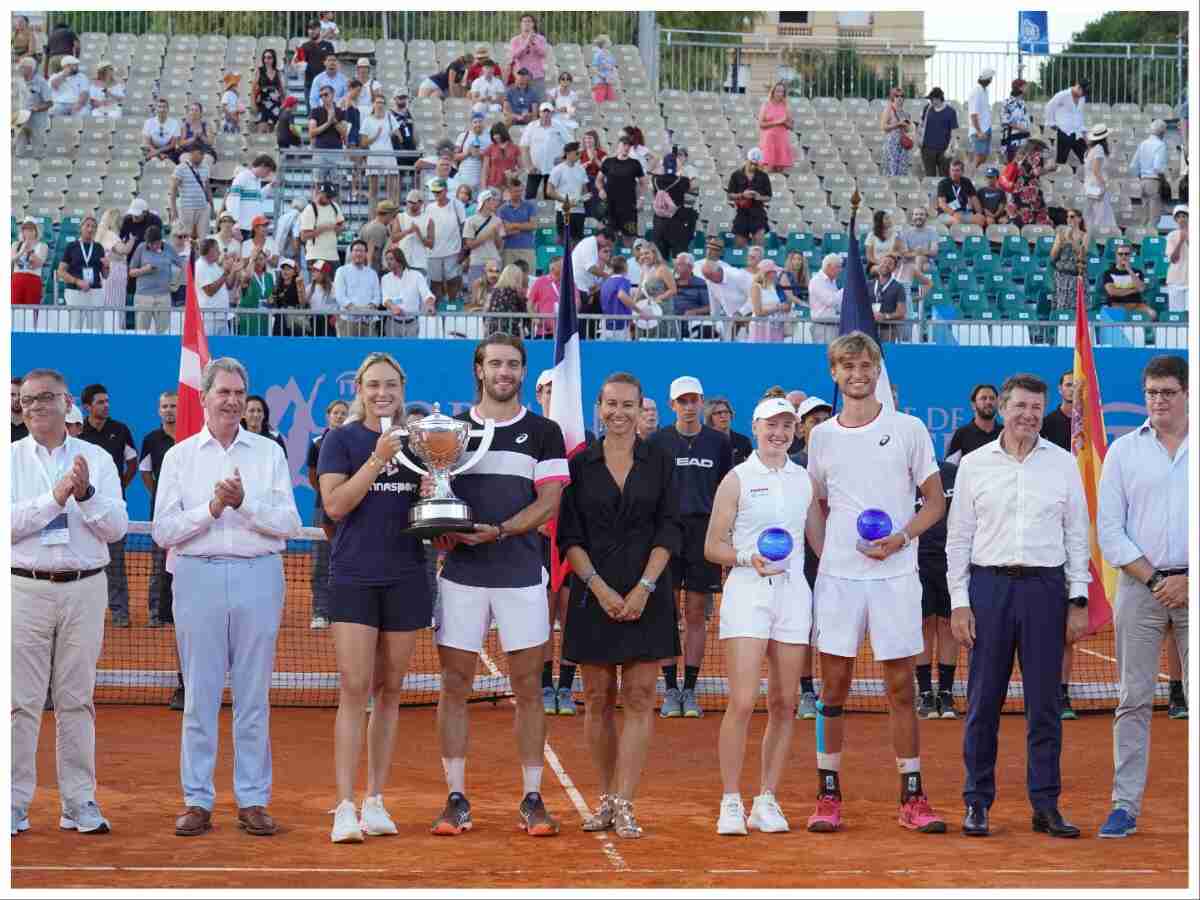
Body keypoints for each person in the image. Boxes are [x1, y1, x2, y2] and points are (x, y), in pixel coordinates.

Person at [804, 331, 947, 835]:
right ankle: (828, 793)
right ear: (835, 373)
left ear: (878, 370)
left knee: (901, 686)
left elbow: (934, 501)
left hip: (896, 575)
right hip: (840, 580)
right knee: (834, 686)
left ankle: (912, 795)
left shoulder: (907, 429)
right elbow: (814, 507)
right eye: (848, 367)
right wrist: (830, 560)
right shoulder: (819, 437)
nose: (858, 374)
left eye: (867, 366)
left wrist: (901, 539)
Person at [153, 357, 301, 839]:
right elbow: (163, 531)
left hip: (260, 575)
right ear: (205, 397)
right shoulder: (179, 457)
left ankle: (253, 800)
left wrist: (244, 505)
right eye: (224, 392)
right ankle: (197, 800)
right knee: (199, 694)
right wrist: (212, 508)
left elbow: (289, 524)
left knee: (253, 696)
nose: (233, 400)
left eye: (240, 393)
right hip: (196, 576)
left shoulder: (268, 453)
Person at [428, 334, 568, 838]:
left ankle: (532, 798)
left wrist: (503, 530)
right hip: (462, 577)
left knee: (529, 688)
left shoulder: (545, 432)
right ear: (479, 370)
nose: (504, 372)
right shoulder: (449, 431)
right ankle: (456, 799)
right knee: (454, 687)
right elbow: (435, 496)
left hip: (521, 576)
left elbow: (549, 502)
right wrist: (442, 528)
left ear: (523, 372)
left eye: (512, 364)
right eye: (495, 363)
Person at [947, 373, 1090, 839]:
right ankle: (977, 802)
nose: (1028, 415)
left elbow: (1077, 535)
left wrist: (1077, 598)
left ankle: (1045, 805)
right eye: (1020, 406)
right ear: (1003, 408)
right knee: (983, 702)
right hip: (989, 590)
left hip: (1046, 591)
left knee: (1045, 706)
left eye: (1036, 407)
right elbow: (959, 539)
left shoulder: (1063, 463)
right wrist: (960, 603)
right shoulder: (973, 464)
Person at [557, 372, 680, 838]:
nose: (619, 413)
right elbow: (569, 536)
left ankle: (626, 802)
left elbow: (670, 529)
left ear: (641, 408)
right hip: (594, 596)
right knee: (598, 700)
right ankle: (606, 799)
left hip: (649, 592)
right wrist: (602, 589)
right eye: (611, 404)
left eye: (629, 405)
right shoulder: (579, 464)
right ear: (599, 407)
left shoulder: (660, 461)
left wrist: (644, 587)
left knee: (640, 698)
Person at [317, 353, 434, 843]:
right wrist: (378, 458)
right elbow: (337, 504)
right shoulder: (340, 441)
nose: (382, 392)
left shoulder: (422, 442)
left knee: (390, 691)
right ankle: (345, 805)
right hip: (354, 576)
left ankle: (375, 800)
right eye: (373, 385)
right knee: (354, 686)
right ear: (360, 389)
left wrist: (429, 491)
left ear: (402, 387)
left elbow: (423, 512)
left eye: (390, 384)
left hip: (406, 574)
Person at [11, 368, 128, 837]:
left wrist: (86, 494)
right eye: (28, 401)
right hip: (23, 587)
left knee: (77, 701)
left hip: (84, 587)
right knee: (19, 703)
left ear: (66, 403)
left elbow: (117, 527)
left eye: (45, 398)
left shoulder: (96, 459)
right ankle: (14, 804)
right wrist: (55, 497)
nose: (35, 406)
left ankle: (78, 802)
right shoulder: (10, 458)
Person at [705, 395, 824, 834]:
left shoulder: (804, 481)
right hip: (747, 592)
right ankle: (731, 801)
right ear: (755, 428)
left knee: (785, 703)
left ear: (795, 433)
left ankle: (766, 800)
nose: (779, 434)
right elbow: (711, 544)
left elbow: (820, 542)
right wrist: (746, 557)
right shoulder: (736, 479)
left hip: (794, 595)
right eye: (771, 426)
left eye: (787, 427)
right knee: (741, 701)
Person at [1096, 355, 1188, 838]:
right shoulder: (1123, 452)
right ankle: (1124, 806)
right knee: (1132, 700)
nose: (1157, 401)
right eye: (1151, 392)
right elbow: (1110, 532)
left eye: (1168, 392)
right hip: (1140, 589)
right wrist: (1157, 581)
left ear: (1187, 393)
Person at [648, 375, 733, 719]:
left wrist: (725, 535)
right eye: (681, 401)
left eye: (693, 400)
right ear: (672, 405)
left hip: (705, 533)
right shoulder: (656, 442)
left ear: (701, 403)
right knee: (665, 612)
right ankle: (670, 690)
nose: (688, 406)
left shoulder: (718, 443)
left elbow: (728, 492)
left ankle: (690, 690)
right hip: (667, 534)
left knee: (697, 614)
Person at [78, 384, 137, 628]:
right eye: (100, 402)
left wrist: (119, 486)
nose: (106, 405)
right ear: (87, 407)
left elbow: (132, 462)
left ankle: (120, 612)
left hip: (110, 510)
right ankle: (85, 614)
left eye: (107, 401)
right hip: (82, 508)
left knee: (116, 564)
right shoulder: (78, 432)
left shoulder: (120, 430)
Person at [139, 390, 184, 706]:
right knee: (158, 567)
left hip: (188, 519)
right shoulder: (152, 439)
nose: (169, 410)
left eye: (173, 406)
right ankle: (158, 612)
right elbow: (143, 471)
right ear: (158, 410)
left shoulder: (191, 435)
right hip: (163, 516)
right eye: (165, 406)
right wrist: (160, 495)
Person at [914, 454, 960, 719]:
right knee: (923, 623)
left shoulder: (952, 473)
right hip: (916, 562)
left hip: (949, 561)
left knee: (947, 623)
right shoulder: (905, 476)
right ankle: (924, 693)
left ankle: (945, 692)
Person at [307, 398, 349, 627]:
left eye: (344, 413)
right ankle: (320, 612)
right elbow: (313, 476)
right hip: (321, 508)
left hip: (348, 511)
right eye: (336, 413)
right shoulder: (316, 443)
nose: (340, 417)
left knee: (346, 561)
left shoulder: (354, 442)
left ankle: (343, 610)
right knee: (321, 562)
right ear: (328, 416)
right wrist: (329, 495)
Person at [128, 224, 185, 334]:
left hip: (163, 297)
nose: (153, 246)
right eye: (150, 244)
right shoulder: (141, 248)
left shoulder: (168, 248)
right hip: (143, 296)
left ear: (160, 240)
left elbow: (182, 265)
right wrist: (144, 270)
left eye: (156, 243)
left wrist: (176, 283)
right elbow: (131, 272)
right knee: (141, 333)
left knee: (163, 332)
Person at [597, 136, 647, 246]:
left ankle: (628, 261)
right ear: (618, 146)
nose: (626, 147)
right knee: (609, 237)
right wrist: (601, 190)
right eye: (624, 144)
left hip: (629, 207)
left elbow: (644, 183)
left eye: (628, 145)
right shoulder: (608, 162)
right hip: (610, 206)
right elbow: (598, 180)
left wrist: (641, 198)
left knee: (629, 237)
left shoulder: (635, 163)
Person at [381, 247, 436, 337]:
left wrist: (429, 305)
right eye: (387, 259)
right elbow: (385, 298)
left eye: (391, 259)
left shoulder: (416, 275)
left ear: (400, 259)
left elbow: (426, 294)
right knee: (391, 351)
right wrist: (393, 307)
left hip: (412, 323)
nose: (388, 262)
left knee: (410, 350)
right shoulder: (385, 278)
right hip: (392, 323)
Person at [334, 239, 383, 337]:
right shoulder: (342, 271)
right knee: (348, 351)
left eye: (362, 251)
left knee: (369, 351)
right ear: (351, 253)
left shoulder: (372, 273)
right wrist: (355, 310)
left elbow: (377, 296)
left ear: (366, 254)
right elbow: (340, 296)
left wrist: (369, 308)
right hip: (348, 320)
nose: (359, 253)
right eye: (356, 250)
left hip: (368, 320)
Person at [520, 103, 567, 200]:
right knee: (529, 196)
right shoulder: (531, 126)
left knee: (550, 198)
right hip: (535, 169)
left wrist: (563, 158)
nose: (546, 114)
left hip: (552, 169)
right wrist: (529, 166)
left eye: (548, 112)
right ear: (539, 113)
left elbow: (570, 144)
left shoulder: (559, 126)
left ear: (552, 113)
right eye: (543, 112)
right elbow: (524, 147)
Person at [361, 95, 400, 213]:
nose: (380, 105)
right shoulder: (367, 120)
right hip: (374, 156)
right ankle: (373, 215)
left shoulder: (389, 117)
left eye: (382, 102)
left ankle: (392, 216)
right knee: (373, 190)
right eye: (377, 102)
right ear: (373, 104)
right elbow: (363, 142)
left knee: (391, 190)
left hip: (389, 155)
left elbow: (399, 135)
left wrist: (396, 135)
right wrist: (375, 136)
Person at [728, 148, 772, 247]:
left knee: (759, 244)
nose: (753, 166)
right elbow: (730, 195)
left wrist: (759, 197)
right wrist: (742, 195)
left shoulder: (763, 176)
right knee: (739, 245)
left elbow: (769, 196)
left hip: (758, 212)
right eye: (751, 163)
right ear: (746, 160)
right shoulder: (736, 175)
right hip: (742, 212)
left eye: (755, 164)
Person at [1005, 139, 1055, 227]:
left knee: (1019, 218)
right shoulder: (1035, 155)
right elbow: (1037, 172)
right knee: (1035, 216)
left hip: (1017, 190)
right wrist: (1050, 169)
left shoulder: (1019, 156)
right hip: (1030, 191)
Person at [169, 143, 213, 241]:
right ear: (191, 154)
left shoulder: (205, 167)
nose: (201, 157)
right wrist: (173, 210)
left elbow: (207, 188)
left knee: (203, 238)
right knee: (185, 237)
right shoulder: (180, 168)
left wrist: (211, 205)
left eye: (202, 154)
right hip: (186, 207)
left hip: (203, 207)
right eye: (199, 154)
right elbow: (173, 190)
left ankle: (202, 255)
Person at [1130, 119, 1170, 228]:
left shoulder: (1143, 144)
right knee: (1154, 218)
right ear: (1163, 132)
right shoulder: (1161, 145)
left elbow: (1133, 165)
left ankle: (1142, 242)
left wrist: (1142, 176)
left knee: (1145, 217)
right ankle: (1151, 243)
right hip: (1154, 181)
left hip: (1143, 181)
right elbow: (1158, 167)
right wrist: (1164, 180)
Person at [227, 154, 276, 241]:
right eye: (268, 171)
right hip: (242, 227)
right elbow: (232, 200)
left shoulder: (257, 180)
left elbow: (258, 199)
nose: (268, 175)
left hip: (252, 227)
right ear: (262, 166)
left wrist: (270, 186)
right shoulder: (243, 177)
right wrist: (235, 223)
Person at [548, 142, 589, 245]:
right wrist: (567, 201)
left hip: (579, 211)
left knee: (578, 243)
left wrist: (585, 197)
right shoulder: (557, 169)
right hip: (564, 211)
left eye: (580, 153)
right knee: (565, 242)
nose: (579, 155)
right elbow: (549, 191)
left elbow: (584, 190)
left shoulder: (581, 169)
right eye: (577, 153)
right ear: (568, 153)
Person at [946, 384, 1000, 462]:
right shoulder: (961, 434)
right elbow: (950, 468)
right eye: (983, 398)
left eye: (992, 398)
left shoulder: (1005, 433)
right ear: (973, 405)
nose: (988, 402)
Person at [300, 181, 346, 272]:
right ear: (320, 193)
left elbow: (342, 226)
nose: (330, 199)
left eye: (332, 197)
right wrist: (322, 229)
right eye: (328, 197)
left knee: (334, 285)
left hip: (333, 255)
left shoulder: (334, 206)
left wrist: (336, 228)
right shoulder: (310, 209)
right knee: (318, 285)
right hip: (316, 255)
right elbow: (303, 237)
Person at [1044, 79, 1089, 171]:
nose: (1082, 95)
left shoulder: (1082, 98)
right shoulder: (1063, 95)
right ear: (1078, 87)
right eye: (1083, 93)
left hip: (1077, 134)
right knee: (1061, 161)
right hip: (1064, 132)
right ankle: (1056, 181)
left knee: (1086, 158)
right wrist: (1051, 122)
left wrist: (1084, 134)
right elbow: (1049, 106)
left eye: (1084, 94)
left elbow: (1080, 116)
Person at [11, 217, 48, 330]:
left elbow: (38, 264)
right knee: (14, 308)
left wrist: (30, 251)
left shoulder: (42, 246)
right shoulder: (16, 244)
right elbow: (12, 259)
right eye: (25, 229)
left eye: (31, 229)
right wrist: (22, 250)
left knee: (31, 311)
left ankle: (31, 332)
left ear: (36, 231)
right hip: (17, 279)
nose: (28, 232)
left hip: (33, 280)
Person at [309, 84, 350, 183]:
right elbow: (312, 132)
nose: (323, 97)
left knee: (337, 183)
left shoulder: (340, 112)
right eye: (321, 95)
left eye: (326, 94)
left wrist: (334, 121)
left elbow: (344, 132)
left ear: (333, 94)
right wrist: (328, 123)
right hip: (320, 151)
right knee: (317, 183)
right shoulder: (315, 111)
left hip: (336, 151)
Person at [1102, 243, 1155, 320]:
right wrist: (1133, 290)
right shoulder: (1108, 273)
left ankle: (1147, 332)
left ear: (1130, 256)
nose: (1123, 256)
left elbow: (1141, 288)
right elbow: (1112, 292)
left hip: (1136, 305)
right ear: (1116, 256)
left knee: (1152, 313)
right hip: (1117, 305)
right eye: (1120, 254)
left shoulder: (1137, 272)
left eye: (1126, 254)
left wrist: (1129, 270)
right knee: (1121, 314)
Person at [14, 57, 52, 159]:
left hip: (37, 119)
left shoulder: (41, 82)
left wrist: (37, 108)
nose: (19, 69)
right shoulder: (19, 81)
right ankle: (19, 162)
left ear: (30, 68)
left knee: (38, 145)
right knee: (19, 142)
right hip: (22, 116)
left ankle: (38, 166)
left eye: (22, 67)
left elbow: (49, 103)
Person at [1049, 210, 1087, 312]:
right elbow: (1052, 256)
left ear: (1079, 219)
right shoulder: (1060, 234)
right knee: (1062, 308)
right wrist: (1059, 245)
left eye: (1072, 217)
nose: (1069, 219)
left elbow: (1082, 256)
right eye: (1068, 217)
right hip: (1062, 276)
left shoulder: (1084, 236)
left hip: (1076, 276)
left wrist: (1070, 240)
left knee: (1077, 309)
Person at [1083, 124, 1116, 234]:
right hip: (1097, 186)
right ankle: (1102, 238)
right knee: (1102, 217)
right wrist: (1104, 184)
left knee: (1092, 216)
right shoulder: (1099, 149)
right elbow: (1096, 171)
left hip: (1089, 186)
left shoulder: (1090, 150)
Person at [919, 87, 957, 178]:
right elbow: (921, 125)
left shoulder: (950, 111)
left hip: (944, 150)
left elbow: (954, 132)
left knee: (944, 178)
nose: (931, 102)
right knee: (929, 177)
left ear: (939, 99)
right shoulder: (927, 109)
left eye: (932, 99)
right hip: (927, 150)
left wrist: (949, 148)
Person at [748, 260, 790, 343]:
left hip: (776, 327)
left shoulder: (774, 287)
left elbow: (785, 305)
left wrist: (784, 306)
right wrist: (778, 307)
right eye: (774, 272)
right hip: (761, 328)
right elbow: (758, 312)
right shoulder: (756, 287)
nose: (777, 274)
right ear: (767, 273)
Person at [509, 15, 549, 101]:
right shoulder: (515, 40)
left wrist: (534, 43)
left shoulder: (540, 39)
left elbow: (543, 54)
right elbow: (515, 55)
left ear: (533, 24)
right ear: (520, 24)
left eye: (529, 21)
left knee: (540, 101)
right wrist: (526, 42)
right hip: (522, 77)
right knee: (522, 101)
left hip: (537, 75)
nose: (526, 23)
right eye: (524, 21)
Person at [394, 189, 434, 276]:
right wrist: (408, 231)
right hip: (403, 261)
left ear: (421, 203)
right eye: (409, 202)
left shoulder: (428, 220)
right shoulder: (400, 217)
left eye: (414, 202)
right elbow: (394, 238)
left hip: (420, 263)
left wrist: (419, 233)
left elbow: (431, 244)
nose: (411, 204)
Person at [296, 19, 335, 105]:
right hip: (309, 84)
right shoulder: (304, 46)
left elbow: (333, 64)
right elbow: (296, 65)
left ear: (319, 29)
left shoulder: (328, 46)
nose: (311, 31)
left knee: (326, 113)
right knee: (311, 115)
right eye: (310, 29)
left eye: (314, 28)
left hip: (325, 85)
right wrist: (297, 59)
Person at [758, 81, 794, 173]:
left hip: (781, 141)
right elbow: (761, 124)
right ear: (773, 92)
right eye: (777, 91)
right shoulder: (766, 105)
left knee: (779, 172)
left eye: (782, 92)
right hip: (769, 141)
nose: (780, 94)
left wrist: (784, 123)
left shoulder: (786, 106)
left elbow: (791, 126)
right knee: (767, 170)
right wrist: (777, 122)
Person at [484, 263, 528, 338]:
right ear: (517, 277)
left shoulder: (494, 291)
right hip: (510, 330)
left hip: (493, 329)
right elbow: (524, 313)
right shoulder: (515, 293)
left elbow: (487, 310)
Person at [807, 253, 844, 343]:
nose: (840, 270)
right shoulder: (817, 281)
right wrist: (846, 289)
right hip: (822, 326)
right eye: (838, 267)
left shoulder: (832, 281)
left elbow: (836, 303)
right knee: (823, 353)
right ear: (828, 266)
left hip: (832, 324)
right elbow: (830, 301)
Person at [871, 254, 908, 342]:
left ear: (894, 269)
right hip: (869, 326)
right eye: (884, 262)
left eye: (890, 263)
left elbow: (901, 312)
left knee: (885, 354)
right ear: (878, 264)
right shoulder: (868, 284)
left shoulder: (898, 287)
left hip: (888, 329)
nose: (886, 265)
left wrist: (885, 316)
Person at [937, 159, 985, 226]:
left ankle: (972, 236)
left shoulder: (966, 181)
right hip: (946, 214)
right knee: (957, 221)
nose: (954, 173)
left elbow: (974, 199)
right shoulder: (943, 183)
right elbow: (942, 204)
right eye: (952, 170)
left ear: (962, 172)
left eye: (957, 170)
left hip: (963, 213)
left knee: (981, 219)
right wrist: (953, 213)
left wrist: (979, 213)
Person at [864, 210, 908, 277]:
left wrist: (889, 261)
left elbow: (899, 253)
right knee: (881, 269)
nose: (890, 220)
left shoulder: (896, 235)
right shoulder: (871, 235)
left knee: (894, 269)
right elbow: (869, 256)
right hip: (875, 263)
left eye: (889, 218)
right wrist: (881, 263)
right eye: (886, 218)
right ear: (880, 221)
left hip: (891, 264)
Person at [527, 257, 562, 339]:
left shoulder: (569, 282)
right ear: (552, 268)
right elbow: (529, 304)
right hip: (544, 332)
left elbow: (577, 302)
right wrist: (535, 318)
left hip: (564, 331)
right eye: (562, 265)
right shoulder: (540, 281)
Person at [881, 86, 912, 177]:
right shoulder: (888, 110)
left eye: (902, 96)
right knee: (892, 170)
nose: (900, 98)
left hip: (902, 144)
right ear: (892, 97)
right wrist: (898, 124)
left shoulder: (905, 113)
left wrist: (906, 125)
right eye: (897, 96)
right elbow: (883, 127)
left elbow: (908, 129)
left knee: (902, 170)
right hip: (892, 143)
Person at [481, 121, 522, 191]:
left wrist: (514, 174)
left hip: (510, 185)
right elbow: (485, 169)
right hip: (493, 185)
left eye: (497, 134)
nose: (495, 136)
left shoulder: (515, 148)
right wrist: (483, 187)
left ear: (503, 133)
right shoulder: (490, 148)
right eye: (493, 134)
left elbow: (522, 168)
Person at [1040, 371, 1074, 452]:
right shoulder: (1046, 423)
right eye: (1068, 385)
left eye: (1076, 385)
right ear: (1060, 389)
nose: (1072, 389)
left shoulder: (1091, 423)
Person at [967, 69, 994, 171]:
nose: (991, 80)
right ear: (987, 79)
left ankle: (975, 177)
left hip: (986, 128)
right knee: (978, 158)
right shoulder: (976, 91)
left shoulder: (985, 91)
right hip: (979, 130)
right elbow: (973, 114)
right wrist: (979, 131)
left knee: (983, 158)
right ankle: (971, 179)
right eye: (990, 78)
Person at [252, 49, 283, 135]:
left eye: (269, 58)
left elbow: (281, 89)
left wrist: (284, 104)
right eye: (265, 58)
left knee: (271, 131)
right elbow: (253, 89)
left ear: (273, 59)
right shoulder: (260, 71)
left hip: (275, 104)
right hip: (263, 103)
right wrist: (253, 104)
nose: (266, 60)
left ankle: (268, 148)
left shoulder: (277, 72)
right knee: (261, 130)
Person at [143, 98, 182, 162]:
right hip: (152, 149)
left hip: (168, 150)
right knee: (152, 159)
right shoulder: (148, 122)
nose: (162, 110)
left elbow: (172, 145)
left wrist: (158, 152)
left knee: (170, 160)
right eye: (159, 107)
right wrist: (159, 154)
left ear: (168, 109)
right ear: (156, 109)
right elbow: (147, 143)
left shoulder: (175, 123)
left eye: (164, 107)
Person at [1001, 79, 1031, 161]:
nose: (1027, 89)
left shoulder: (1023, 103)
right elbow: (1005, 120)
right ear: (1020, 88)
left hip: (1024, 139)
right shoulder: (1007, 102)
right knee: (1012, 165)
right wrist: (1021, 128)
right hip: (1012, 139)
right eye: (1025, 86)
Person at [1165, 206, 1188, 290]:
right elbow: (1173, 260)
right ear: (1175, 220)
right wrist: (1180, 242)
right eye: (1178, 217)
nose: (1181, 219)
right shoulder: (1171, 235)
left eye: (1184, 216)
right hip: (1175, 281)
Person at [591, 34, 618, 104]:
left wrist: (613, 76)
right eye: (609, 40)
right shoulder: (597, 54)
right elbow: (594, 69)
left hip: (609, 82)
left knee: (610, 102)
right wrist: (602, 76)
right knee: (599, 103)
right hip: (600, 82)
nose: (610, 41)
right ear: (604, 44)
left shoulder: (610, 54)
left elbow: (613, 67)